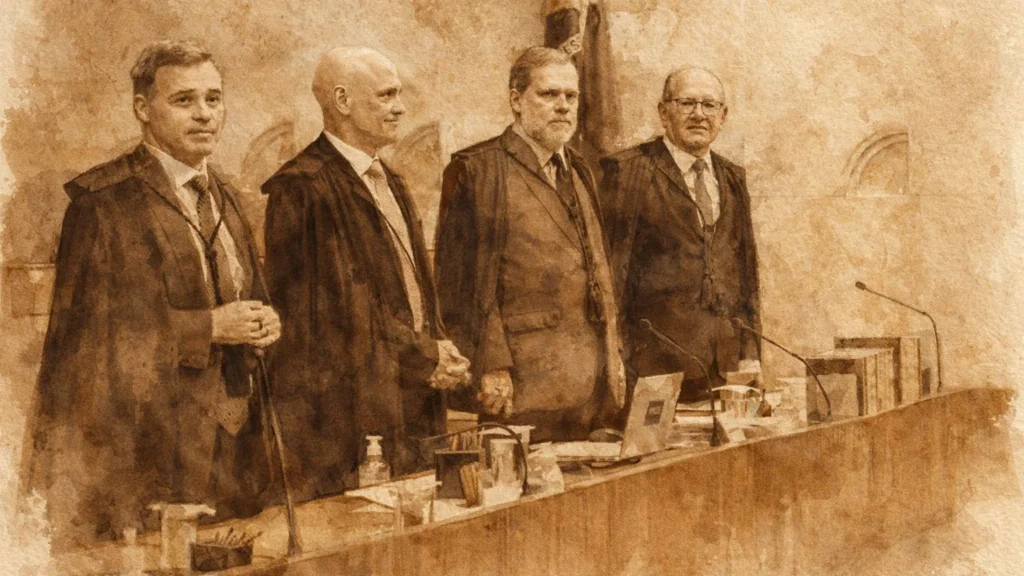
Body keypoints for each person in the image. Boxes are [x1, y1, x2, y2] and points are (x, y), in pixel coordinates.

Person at [24, 40, 281, 550]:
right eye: (184, 100)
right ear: (143, 109)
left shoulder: (227, 196)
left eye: (213, 99)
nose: (204, 114)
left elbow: (246, 294)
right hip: (148, 455)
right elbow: (89, 346)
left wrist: (264, 322)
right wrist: (210, 327)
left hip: (233, 456)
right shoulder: (103, 203)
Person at [262, 47, 470, 501]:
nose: (400, 107)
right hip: (347, 416)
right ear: (342, 101)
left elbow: (415, 290)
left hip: (414, 399)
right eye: (386, 95)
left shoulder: (390, 179)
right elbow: (341, 317)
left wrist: (439, 343)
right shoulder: (302, 187)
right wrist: (426, 354)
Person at [435, 47, 625, 443]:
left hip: (591, 386)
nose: (563, 106)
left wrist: (613, 354)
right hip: (521, 387)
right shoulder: (477, 169)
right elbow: (459, 287)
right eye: (549, 94)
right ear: (516, 100)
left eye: (571, 96)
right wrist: (491, 365)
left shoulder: (580, 168)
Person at [600, 67, 762, 402]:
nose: (699, 115)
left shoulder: (733, 177)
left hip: (723, 368)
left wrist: (750, 353)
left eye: (709, 105)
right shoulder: (627, 171)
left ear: (723, 115)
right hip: (652, 368)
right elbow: (611, 275)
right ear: (664, 112)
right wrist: (615, 359)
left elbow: (746, 276)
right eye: (687, 103)